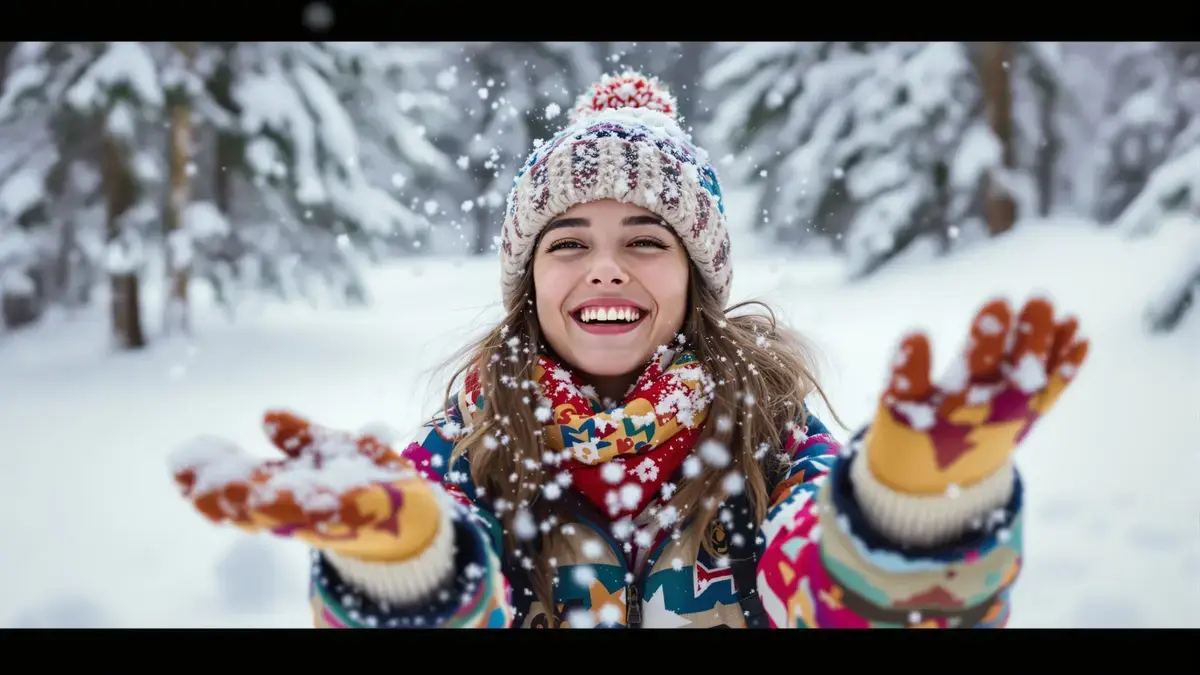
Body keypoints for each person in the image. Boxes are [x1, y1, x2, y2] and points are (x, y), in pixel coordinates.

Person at [168, 72, 1090, 629]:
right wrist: (409, 565)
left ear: (696, 277)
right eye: (567, 242)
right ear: (529, 281)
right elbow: (446, 570)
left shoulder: (771, 440)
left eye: (647, 240)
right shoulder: (466, 448)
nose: (604, 269)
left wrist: (902, 519)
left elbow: (833, 591)